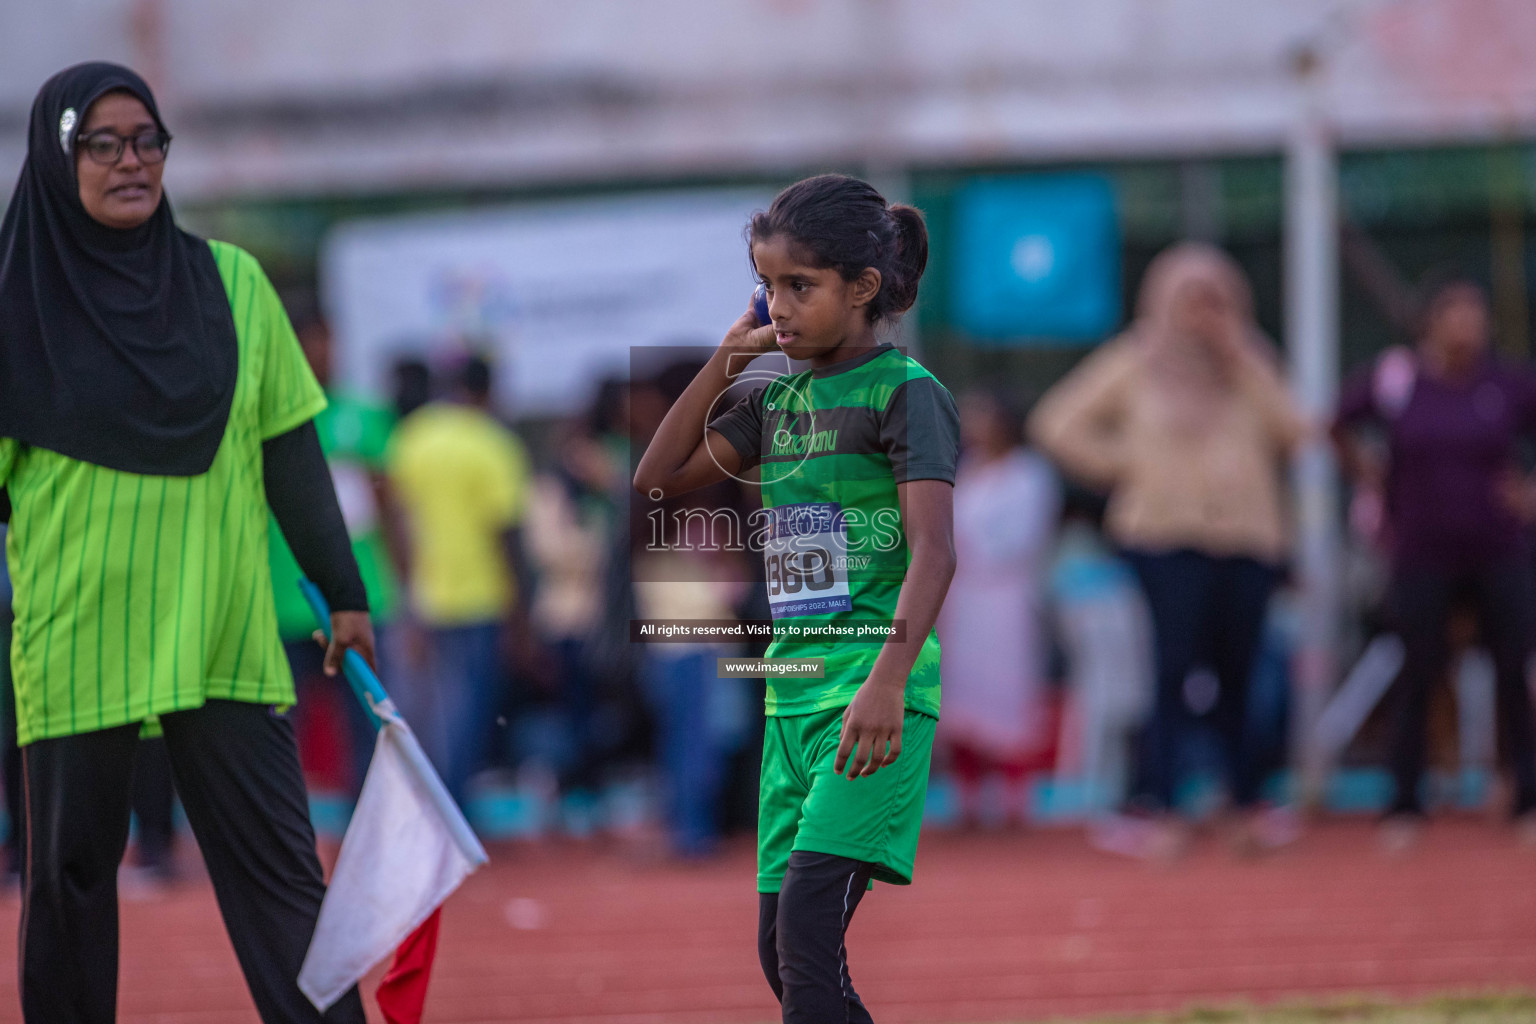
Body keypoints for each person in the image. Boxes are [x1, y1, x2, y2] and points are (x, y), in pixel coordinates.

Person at [0, 63, 373, 1022]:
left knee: (283, 881)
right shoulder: (12, 312)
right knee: (70, 881)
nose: (131, 161)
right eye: (103, 143)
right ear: (58, 154)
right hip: (79, 639)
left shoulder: (234, 284)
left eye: (148, 140)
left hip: (223, 631)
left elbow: (291, 452)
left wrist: (344, 590)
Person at [634, 174, 958, 1023]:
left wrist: (886, 683)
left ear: (863, 288)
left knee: (808, 945)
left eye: (799, 286)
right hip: (792, 697)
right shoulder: (775, 401)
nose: (778, 304)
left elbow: (935, 552)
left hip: (871, 695)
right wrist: (727, 360)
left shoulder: (905, 393)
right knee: (783, 958)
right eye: (767, 284)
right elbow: (657, 478)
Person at [1030, 242, 1305, 859]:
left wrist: (1240, 353)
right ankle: (1156, 804)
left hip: (1249, 540)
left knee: (1242, 674)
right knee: (1172, 673)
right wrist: (1129, 467)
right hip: (1163, 540)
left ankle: (1244, 801)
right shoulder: (1136, 358)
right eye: (1191, 298)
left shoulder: (1249, 361)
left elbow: (1294, 429)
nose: (1204, 311)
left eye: (1217, 297)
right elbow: (1056, 423)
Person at [1332, 274, 1536, 849]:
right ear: (1430, 321)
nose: (1469, 325)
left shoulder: (1505, 382)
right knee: (1418, 671)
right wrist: (1368, 474)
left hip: (1499, 549)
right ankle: (1403, 803)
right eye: (1457, 313)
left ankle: (1525, 797)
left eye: (1477, 313)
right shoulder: (1398, 381)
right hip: (1420, 551)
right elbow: (1334, 422)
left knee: (1511, 670)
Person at [387, 354, 534, 809]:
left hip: (423, 595)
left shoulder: (411, 436)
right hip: (480, 597)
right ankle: (454, 809)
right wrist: (520, 613)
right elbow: (506, 536)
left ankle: (433, 806)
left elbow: (394, 521)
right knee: (471, 712)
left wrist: (405, 588)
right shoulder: (492, 443)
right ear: (489, 391)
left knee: (431, 712)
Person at [268, 317, 406, 798]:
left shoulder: (365, 416)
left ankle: (367, 834)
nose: (321, 353)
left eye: (328, 342)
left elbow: (391, 506)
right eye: (311, 342)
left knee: (368, 724)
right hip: (285, 601)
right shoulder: (269, 416)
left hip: (364, 599)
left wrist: (405, 582)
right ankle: (287, 839)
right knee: (278, 731)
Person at [936, 391, 1060, 827]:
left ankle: (1014, 800)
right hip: (962, 596)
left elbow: (1025, 535)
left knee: (1007, 694)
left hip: (1006, 596)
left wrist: (973, 550)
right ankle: (968, 800)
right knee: (963, 697)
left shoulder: (1029, 473)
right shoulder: (966, 471)